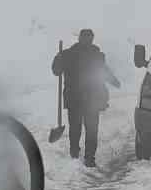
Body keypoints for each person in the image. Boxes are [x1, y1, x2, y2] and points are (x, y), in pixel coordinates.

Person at [51, 28, 121, 166]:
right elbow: (104, 71)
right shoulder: (96, 55)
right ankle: (89, 158)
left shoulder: (68, 54)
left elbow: (56, 70)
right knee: (91, 129)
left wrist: (57, 59)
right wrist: (114, 81)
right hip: (91, 99)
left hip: (75, 98)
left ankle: (75, 153)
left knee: (75, 127)